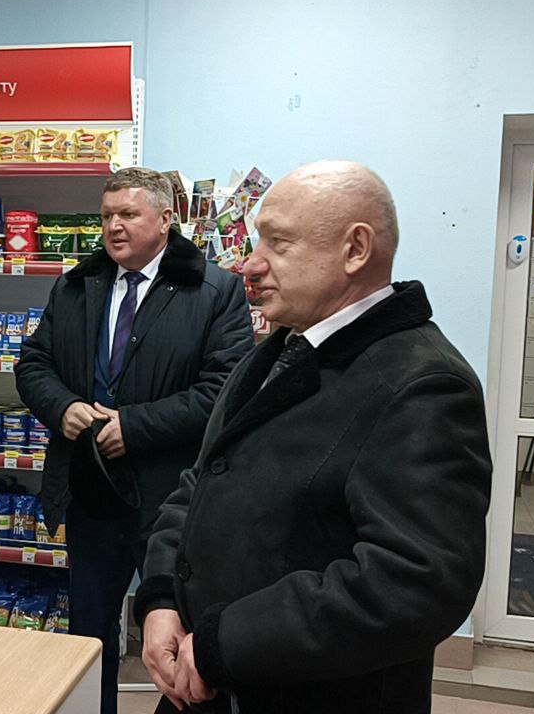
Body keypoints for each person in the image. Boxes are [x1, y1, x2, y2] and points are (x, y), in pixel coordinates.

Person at [133, 161, 492, 714]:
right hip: (207, 686)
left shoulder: (424, 384)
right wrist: (160, 599)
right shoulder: (276, 352)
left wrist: (226, 644)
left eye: (278, 243)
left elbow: (415, 582)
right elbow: (200, 482)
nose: (250, 263)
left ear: (355, 249)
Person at [17, 167, 255, 714]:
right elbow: (33, 364)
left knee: (177, 637)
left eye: (128, 214)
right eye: (107, 216)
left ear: (166, 218)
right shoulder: (75, 285)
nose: (114, 227)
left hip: (171, 501)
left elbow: (224, 391)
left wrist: (135, 426)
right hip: (92, 494)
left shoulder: (214, 290)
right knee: (89, 636)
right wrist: (63, 406)